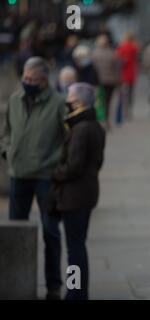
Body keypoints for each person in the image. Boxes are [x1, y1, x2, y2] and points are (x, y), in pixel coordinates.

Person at [0, 57, 66, 300]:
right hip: (18, 175)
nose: (26, 82)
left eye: (31, 79)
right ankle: (12, 284)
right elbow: (5, 132)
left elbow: (68, 138)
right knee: (14, 232)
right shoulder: (15, 100)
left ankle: (53, 286)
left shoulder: (59, 103)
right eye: (24, 78)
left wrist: (54, 161)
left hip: (46, 178)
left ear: (44, 80)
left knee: (51, 231)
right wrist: (8, 151)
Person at [50, 83, 106, 300]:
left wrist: (55, 173)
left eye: (71, 98)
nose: (67, 101)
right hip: (87, 192)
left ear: (80, 102)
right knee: (77, 245)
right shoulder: (94, 126)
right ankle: (78, 291)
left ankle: (75, 292)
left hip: (75, 195)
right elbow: (97, 161)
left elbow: (74, 166)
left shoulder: (81, 129)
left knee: (74, 248)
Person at [92, 34, 122, 129]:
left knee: (99, 101)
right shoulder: (112, 53)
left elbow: (93, 68)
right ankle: (106, 120)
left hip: (99, 81)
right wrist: (118, 80)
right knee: (108, 101)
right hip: (110, 81)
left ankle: (100, 119)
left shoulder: (95, 54)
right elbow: (117, 68)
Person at [116, 31, 140, 121]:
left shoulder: (121, 47)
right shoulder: (135, 47)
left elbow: (118, 59)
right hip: (132, 74)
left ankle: (123, 112)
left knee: (122, 94)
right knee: (130, 94)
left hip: (123, 74)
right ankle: (128, 110)